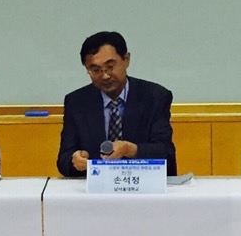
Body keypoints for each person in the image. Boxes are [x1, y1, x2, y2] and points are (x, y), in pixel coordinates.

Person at [57, 31, 176, 176]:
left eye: (110, 67)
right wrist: (75, 161)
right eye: (96, 70)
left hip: (142, 183)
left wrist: (130, 149)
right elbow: (63, 160)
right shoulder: (77, 102)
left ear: (126, 60)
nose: (105, 75)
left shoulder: (155, 97)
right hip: (97, 184)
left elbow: (165, 153)